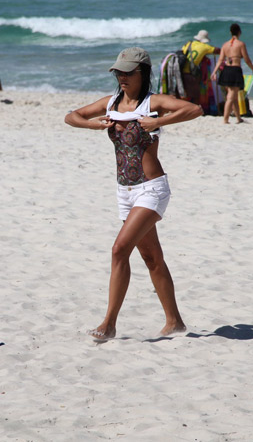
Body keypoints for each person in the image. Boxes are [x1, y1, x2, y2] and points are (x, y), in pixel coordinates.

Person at [64, 47, 203, 341]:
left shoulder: (154, 102)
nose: (122, 77)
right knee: (152, 258)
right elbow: (70, 116)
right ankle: (175, 321)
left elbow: (194, 109)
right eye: (119, 72)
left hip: (152, 189)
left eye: (128, 72)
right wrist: (92, 124)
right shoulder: (112, 102)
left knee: (119, 250)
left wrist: (158, 122)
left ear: (142, 73)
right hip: (124, 192)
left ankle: (109, 324)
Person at [211, 23, 253, 124]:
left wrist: (214, 72)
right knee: (231, 97)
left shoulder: (225, 45)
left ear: (230, 32)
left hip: (226, 70)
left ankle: (238, 118)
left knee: (234, 96)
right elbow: (247, 60)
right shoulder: (241, 44)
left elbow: (220, 60)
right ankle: (225, 119)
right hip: (235, 71)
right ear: (239, 32)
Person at [180, 30, 221, 103]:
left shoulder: (188, 44)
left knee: (184, 93)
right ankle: (194, 110)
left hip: (180, 71)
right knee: (196, 95)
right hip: (190, 73)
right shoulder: (205, 47)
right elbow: (218, 50)